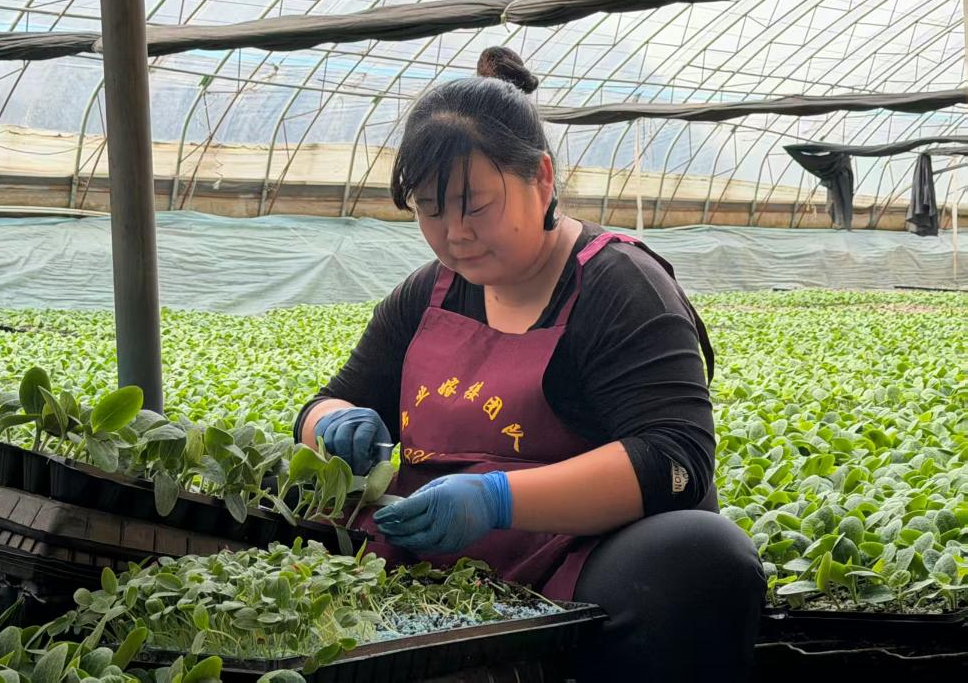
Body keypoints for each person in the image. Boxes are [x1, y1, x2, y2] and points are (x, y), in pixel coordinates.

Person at [295, 47, 765, 680]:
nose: (455, 233)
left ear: (541, 178)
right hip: (433, 560)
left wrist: (497, 499)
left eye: (475, 205)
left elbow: (675, 458)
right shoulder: (428, 292)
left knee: (702, 559)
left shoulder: (619, 286)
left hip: (575, 562)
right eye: (431, 209)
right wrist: (331, 423)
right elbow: (327, 401)